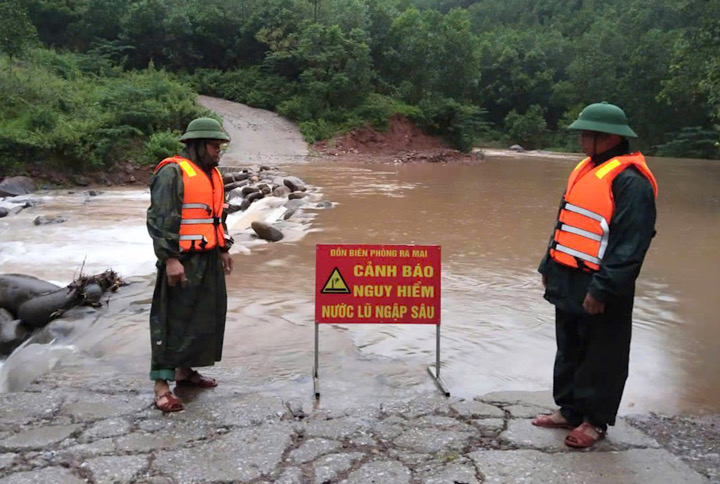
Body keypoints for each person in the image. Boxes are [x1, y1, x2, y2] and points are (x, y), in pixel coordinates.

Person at [534, 102, 658, 448]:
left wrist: (602, 290)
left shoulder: (632, 183)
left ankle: (594, 421)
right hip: (569, 277)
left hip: (602, 284)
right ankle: (569, 410)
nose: (581, 140)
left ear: (609, 139)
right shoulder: (585, 170)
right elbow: (565, 221)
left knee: (602, 353)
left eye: (587, 135)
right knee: (569, 346)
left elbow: (629, 246)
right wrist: (548, 265)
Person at [146, 117, 234, 412]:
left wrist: (223, 248)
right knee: (171, 320)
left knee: (204, 316)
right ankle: (161, 387)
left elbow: (216, 217)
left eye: (220, 146)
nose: (218, 151)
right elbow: (160, 220)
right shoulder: (172, 173)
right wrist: (170, 259)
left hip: (207, 258)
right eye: (213, 146)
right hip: (181, 258)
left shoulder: (212, 174)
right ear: (196, 146)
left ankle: (185, 373)